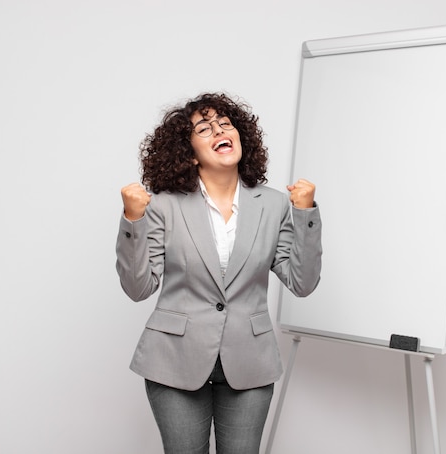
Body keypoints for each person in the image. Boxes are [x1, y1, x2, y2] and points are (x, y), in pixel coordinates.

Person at [115, 92, 322, 454]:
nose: (219, 130)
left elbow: (301, 283)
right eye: (205, 128)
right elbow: (138, 287)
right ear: (190, 153)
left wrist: (305, 214)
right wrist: (133, 219)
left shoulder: (274, 204)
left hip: (250, 360)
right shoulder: (163, 205)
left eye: (225, 124)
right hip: (174, 359)